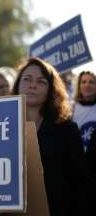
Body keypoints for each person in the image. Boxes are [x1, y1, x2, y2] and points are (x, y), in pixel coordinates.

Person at [12, 57, 88, 215]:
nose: (33, 85)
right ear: (18, 85)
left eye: (41, 81)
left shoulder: (67, 130)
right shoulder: (1, 128)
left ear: (50, 91)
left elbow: (79, 183)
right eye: (27, 79)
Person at [72, 71, 96, 207]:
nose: (87, 85)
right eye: (84, 82)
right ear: (79, 86)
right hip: (77, 166)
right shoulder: (71, 108)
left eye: (91, 82)